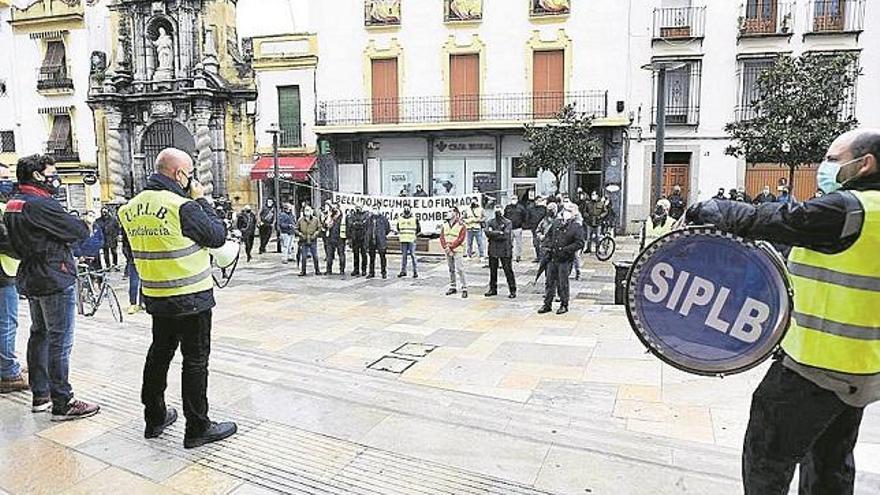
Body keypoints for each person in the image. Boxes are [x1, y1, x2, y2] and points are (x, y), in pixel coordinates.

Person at [686, 129, 880, 494]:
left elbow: (784, 218)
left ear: (865, 163)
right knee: (830, 466)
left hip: (813, 369)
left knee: (766, 460)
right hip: (861, 370)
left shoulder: (851, 210)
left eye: (834, 159)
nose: (824, 167)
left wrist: (719, 211)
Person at [118, 148, 235, 448]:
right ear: (179, 174)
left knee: (159, 354)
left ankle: (154, 417)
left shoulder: (129, 207)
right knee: (195, 361)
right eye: (190, 173)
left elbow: (131, 252)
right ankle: (198, 426)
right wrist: (201, 199)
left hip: (157, 295)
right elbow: (217, 235)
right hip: (191, 297)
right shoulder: (182, 206)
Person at [4, 154, 98, 419]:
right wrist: (84, 224)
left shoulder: (15, 202)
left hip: (31, 274)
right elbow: (78, 230)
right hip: (54, 275)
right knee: (60, 339)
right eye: (51, 172)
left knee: (40, 334)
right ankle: (63, 401)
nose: (54, 178)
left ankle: (41, 395)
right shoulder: (40, 204)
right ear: (37, 175)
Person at [0, 164, 26, 394]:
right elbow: (6, 241)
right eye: (3, 178)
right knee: (7, 323)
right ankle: (8, 372)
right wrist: (25, 248)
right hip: (3, 272)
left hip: (6, 270)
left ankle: (8, 364)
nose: (8, 182)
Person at [539, 204, 584, 315]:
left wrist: (565, 249)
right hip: (553, 257)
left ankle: (564, 304)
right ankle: (547, 304)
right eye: (565, 210)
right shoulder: (556, 223)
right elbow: (549, 236)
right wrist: (548, 246)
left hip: (565, 259)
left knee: (562, 282)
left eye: (569, 211)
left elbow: (579, 243)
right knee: (549, 282)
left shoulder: (576, 226)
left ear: (574, 214)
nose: (566, 212)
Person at [485, 205, 517, 299]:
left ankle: (512, 290)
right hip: (493, 248)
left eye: (499, 210)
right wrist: (499, 232)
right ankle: (493, 289)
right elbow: (487, 232)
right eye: (496, 210)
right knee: (492, 271)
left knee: (508, 270)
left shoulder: (508, 222)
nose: (498, 213)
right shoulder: (490, 221)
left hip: (505, 249)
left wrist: (494, 233)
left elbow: (505, 235)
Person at [440, 206, 468, 298]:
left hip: (457, 250)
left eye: (450, 211)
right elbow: (442, 237)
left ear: (455, 213)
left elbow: (461, 238)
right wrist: (446, 247)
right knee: (451, 269)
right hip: (448, 250)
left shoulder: (461, 225)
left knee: (460, 269)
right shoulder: (445, 224)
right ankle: (453, 286)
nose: (448, 213)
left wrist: (451, 247)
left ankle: (464, 288)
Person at [121, 226, 142, 315]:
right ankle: (133, 303)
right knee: (134, 283)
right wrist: (129, 257)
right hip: (133, 259)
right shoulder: (128, 226)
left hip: (146, 259)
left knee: (145, 283)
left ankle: (142, 302)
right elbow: (125, 245)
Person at [296, 206, 322, 276]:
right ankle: (303, 271)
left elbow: (319, 228)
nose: (307, 212)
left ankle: (317, 270)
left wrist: (315, 234)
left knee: (315, 256)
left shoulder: (315, 219)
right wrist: (300, 234)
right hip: (303, 240)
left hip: (312, 239)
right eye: (306, 210)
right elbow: (296, 229)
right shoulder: (300, 220)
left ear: (311, 211)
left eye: (308, 210)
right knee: (304, 257)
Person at [365, 207, 390, 279]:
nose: (374, 210)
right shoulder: (369, 219)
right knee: (371, 258)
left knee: (382, 257)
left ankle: (383, 272)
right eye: (373, 208)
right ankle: (371, 272)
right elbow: (366, 228)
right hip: (371, 241)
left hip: (380, 241)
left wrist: (382, 235)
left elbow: (387, 229)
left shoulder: (383, 219)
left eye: (376, 209)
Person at [396, 205, 420, 278]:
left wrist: (413, 235)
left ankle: (415, 271)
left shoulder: (414, 219)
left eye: (408, 208)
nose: (406, 210)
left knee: (413, 255)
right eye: (405, 208)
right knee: (404, 256)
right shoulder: (400, 218)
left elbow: (418, 229)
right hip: (403, 240)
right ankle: (403, 271)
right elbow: (398, 228)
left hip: (411, 239)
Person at [346, 205, 369, 276]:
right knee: (355, 255)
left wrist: (356, 223)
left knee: (364, 255)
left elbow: (365, 224)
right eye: (357, 207)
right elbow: (350, 224)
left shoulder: (365, 215)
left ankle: (364, 270)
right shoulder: (352, 215)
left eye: (359, 207)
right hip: (355, 238)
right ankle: (356, 269)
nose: (358, 208)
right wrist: (359, 223)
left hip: (363, 238)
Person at [503, 196, 527, 263]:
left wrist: (523, 225)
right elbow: (504, 217)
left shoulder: (521, 208)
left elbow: (525, 216)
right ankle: (509, 255)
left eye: (515, 199)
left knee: (519, 243)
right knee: (509, 243)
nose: (513, 200)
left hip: (518, 228)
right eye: (512, 199)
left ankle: (518, 256)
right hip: (509, 229)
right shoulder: (507, 207)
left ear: (517, 199)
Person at [325, 206, 345, 275]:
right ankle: (328, 270)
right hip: (330, 239)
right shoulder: (330, 217)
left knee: (341, 255)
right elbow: (325, 225)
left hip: (340, 239)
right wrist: (329, 219)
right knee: (329, 256)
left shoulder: (342, 218)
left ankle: (342, 270)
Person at [526, 196, 547, 262]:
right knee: (536, 243)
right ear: (535, 201)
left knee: (543, 243)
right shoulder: (531, 209)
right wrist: (530, 225)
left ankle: (543, 257)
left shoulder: (544, 209)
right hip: (534, 228)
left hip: (544, 228)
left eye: (541, 200)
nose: (539, 202)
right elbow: (528, 218)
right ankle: (538, 257)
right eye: (538, 200)